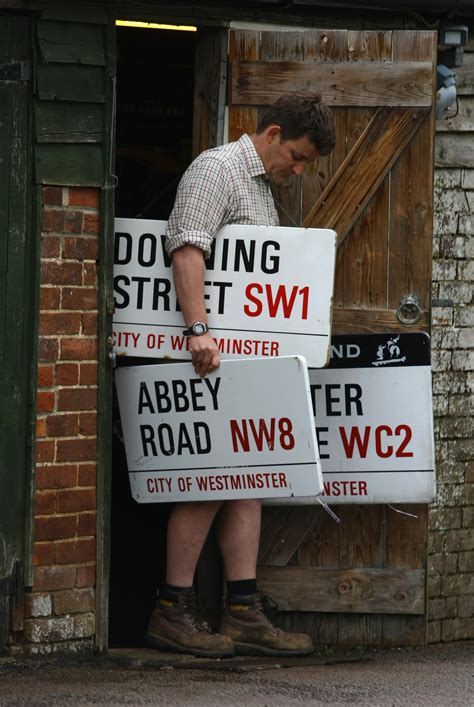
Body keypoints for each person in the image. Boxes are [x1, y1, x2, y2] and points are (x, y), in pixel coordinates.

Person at [146, 91, 336, 658]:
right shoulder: (217, 169)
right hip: (208, 357)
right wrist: (197, 328)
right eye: (298, 157)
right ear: (273, 133)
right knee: (208, 478)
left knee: (251, 475)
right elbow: (186, 247)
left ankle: (242, 611)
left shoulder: (260, 188)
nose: (298, 171)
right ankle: (170, 609)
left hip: (246, 360)